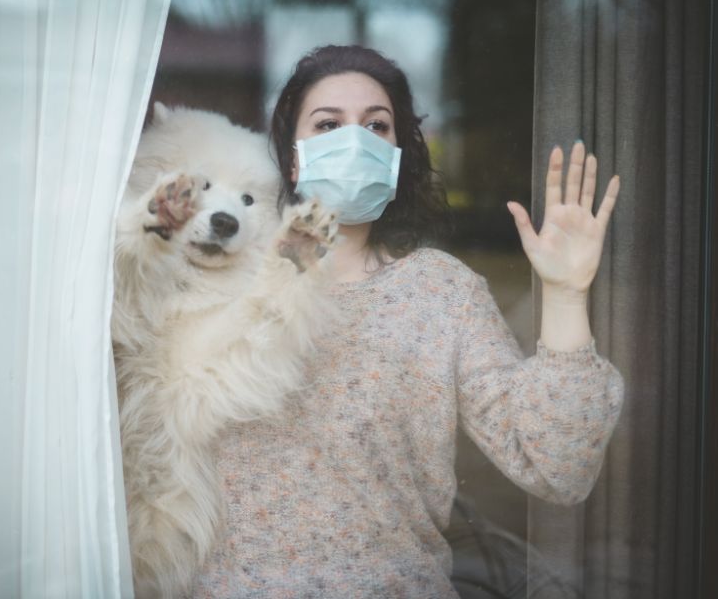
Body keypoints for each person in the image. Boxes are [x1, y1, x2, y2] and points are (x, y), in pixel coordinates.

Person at [189, 45, 624, 598]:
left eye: (377, 126)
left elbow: (557, 466)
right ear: (294, 158)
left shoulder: (440, 294)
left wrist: (565, 294)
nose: (356, 141)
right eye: (328, 125)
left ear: (395, 157)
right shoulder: (218, 283)